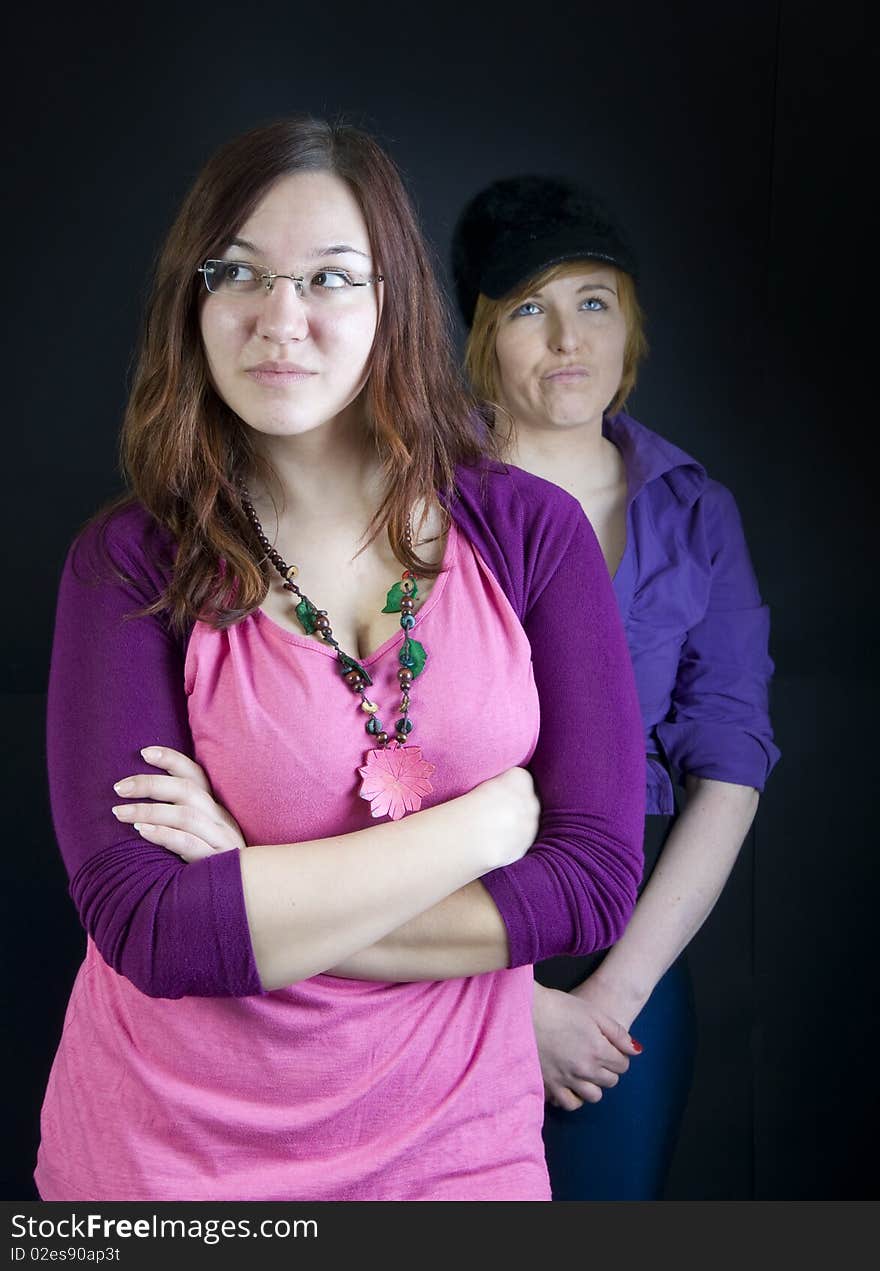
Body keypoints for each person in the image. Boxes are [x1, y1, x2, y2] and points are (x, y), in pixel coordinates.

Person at [35, 122, 646, 1202]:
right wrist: (482, 828)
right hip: (165, 1159)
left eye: (328, 277)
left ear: (392, 299)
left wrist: (251, 889)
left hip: (459, 1144)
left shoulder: (528, 531)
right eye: (238, 273)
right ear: (193, 298)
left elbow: (591, 886)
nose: (282, 320)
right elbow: (153, 929)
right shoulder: (126, 563)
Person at [450, 175, 780, 1201]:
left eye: (592, 301)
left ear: (628, 323)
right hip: (440, 925)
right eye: (528, 309)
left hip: (622, 947)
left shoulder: (695, 508)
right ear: (480, 336)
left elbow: (730, 755)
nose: (565, 338)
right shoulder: (420, 496)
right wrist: (509, 1005)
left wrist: (610, 995)